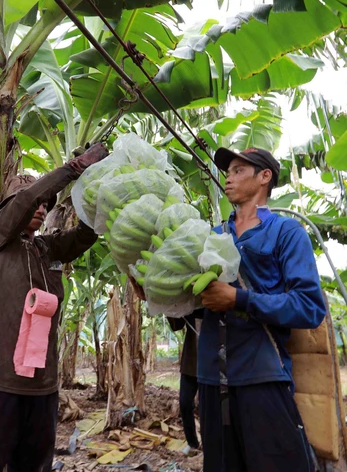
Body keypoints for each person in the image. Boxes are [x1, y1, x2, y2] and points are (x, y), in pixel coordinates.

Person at [131, 146, 326, 472]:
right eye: (227, 171)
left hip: (261, 377)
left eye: (238, 170)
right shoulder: (210, 236)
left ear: (265, 177)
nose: (228, 177)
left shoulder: (285, 233)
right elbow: (197, 305)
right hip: (212, 381)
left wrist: (239, 299)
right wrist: (154, 293)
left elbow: (309, 306)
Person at [0, 143, 109, 472]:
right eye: (34, 203)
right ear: (10, 207)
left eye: (45, 205)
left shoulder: (47, 248)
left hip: (43, 388)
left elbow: (87, 234)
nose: (40, 208)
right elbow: (25, 200)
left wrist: (96, 180)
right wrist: (74, 167)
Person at [167, 314, 201, 450]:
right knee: (185, 402)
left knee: (208, 407)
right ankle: (192, 443)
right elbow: (177, 325)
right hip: (191, 361)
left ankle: (213, 445)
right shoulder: (189, 300)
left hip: (213, 361)